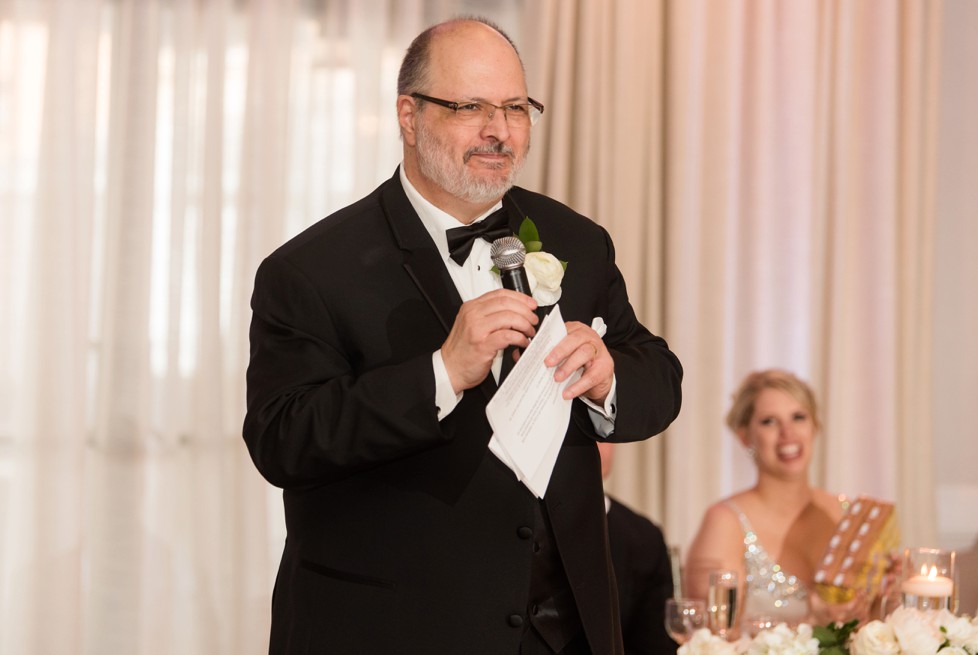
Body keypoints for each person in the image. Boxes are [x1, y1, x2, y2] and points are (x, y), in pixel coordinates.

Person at [242, 16, 683, 655]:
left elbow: (659, 376)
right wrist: (441, 373)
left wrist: (609, 375)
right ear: (409, 115)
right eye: (469, 106)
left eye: (514, 107)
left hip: (566, 631)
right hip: (393, 629)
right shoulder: (310, 271)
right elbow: (284, 440)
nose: (498, 130)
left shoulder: (577, 242)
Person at [683, 369, 855, 631]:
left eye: (798, 417)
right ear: (745, 436)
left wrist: (883, 593)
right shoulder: (724, 522)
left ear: (815, 427)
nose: (788, 433)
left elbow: (866, 625)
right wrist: (811, 623)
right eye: (769, 422)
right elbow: (709, 640)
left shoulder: (845, 513)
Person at [597, 443, 678, 655]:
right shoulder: (518, 524)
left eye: (601, 431)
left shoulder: (644, 537)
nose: (593, 445)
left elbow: (655, 644)